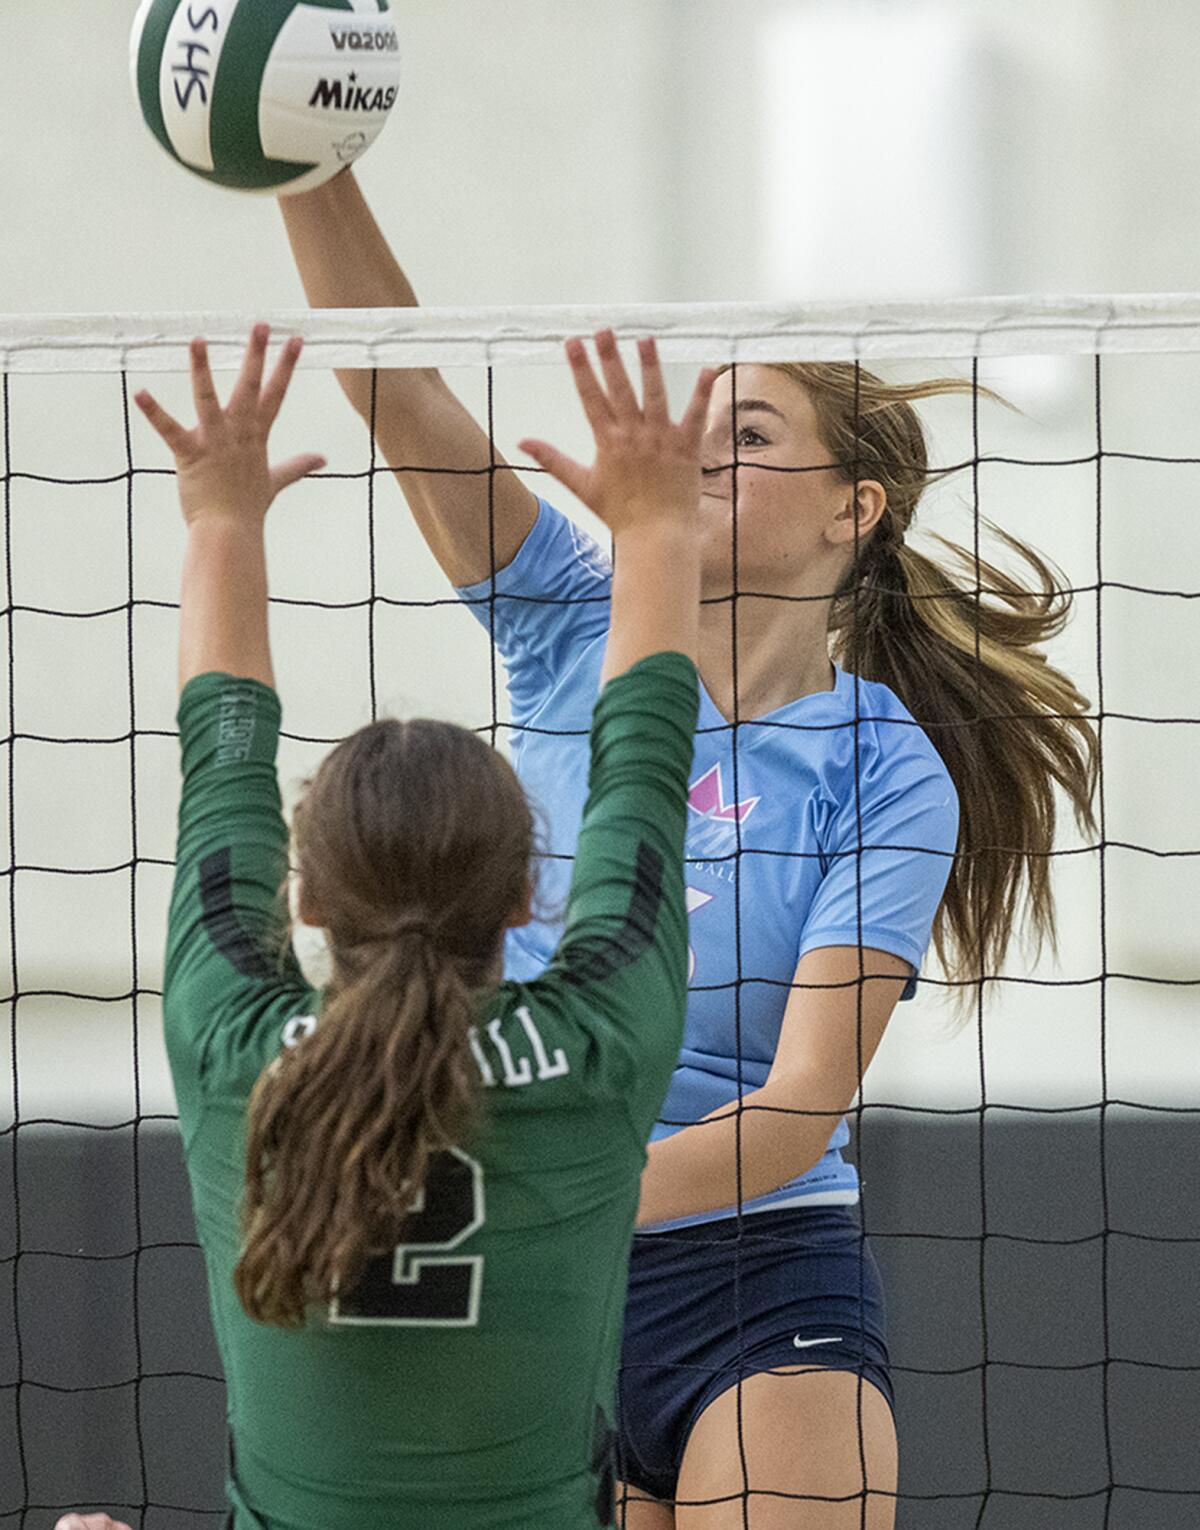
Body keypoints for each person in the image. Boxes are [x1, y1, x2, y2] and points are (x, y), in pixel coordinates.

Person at [278, 170, 1097, 1528]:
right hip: (532, 1290)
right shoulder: (570, 620)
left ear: (857, 507)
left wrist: (550, 1192)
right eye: (698, 430)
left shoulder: (884, 763)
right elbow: (397, 387)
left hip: (750, 1273)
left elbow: (798, 1105)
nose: (707, 454)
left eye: (754, 432)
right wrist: (309, 168)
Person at [56, 323, 713, 1529]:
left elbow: (224, 764)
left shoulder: (228, 1047)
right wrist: (665, 530)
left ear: (306, 899)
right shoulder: (603, 1036)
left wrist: (220, 517)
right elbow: (643, 770)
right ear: (525, 898)